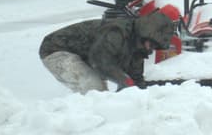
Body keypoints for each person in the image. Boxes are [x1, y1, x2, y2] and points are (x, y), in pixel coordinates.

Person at [40, 7, 178, 92]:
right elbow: (99, 60)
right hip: (56, 50)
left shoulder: (138, 48)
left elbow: (136, 79)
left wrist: (138, 90)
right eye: (152, 44)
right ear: (148, 34)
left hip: (85, 57)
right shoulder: (117, 32)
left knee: (100, 92)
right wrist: (124, 80)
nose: (151, 49)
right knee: (93, 88)